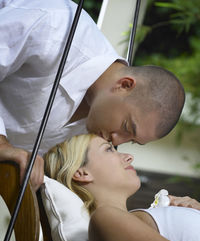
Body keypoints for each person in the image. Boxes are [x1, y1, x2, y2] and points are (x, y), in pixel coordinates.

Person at [0, 0, 185, 191]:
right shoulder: (55, 25)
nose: (115, 140)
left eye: (131, 140)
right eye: (126, 127)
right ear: (125, 85)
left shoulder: (92, 141)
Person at [44, 134, 200, 241]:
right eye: (108, 149)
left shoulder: (142, 219)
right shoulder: (106, 220)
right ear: (81, 173)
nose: (129, 157)